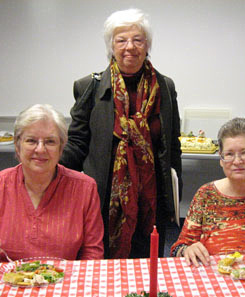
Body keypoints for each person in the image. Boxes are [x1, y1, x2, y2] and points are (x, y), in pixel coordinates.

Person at [60, 8, 182, 259]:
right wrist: (48, 171)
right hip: (104, 199)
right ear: (111, 46)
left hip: (152, 198)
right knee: (102, 264)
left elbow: (173, 145)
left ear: (147, 45)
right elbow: (77, 143)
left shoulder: (165, 87)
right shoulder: (88, 86)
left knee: (148, 263)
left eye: (137, 39)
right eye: (121, 40)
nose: (130, 47)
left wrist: (173, 197)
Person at [0, 104, 104, 262]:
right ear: (17, 145)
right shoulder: (2, 185)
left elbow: (92, 255)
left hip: (66, 283)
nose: (40, 149)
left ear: (61, 148)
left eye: (50, 142)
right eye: (31, 141)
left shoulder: (85, 189)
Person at [171, 118, 245, 267]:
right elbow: (178, 247)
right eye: (229, 154)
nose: (237, 161)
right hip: (216, 281)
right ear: (221, 159)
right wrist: (187, 249)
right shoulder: (206, 195)